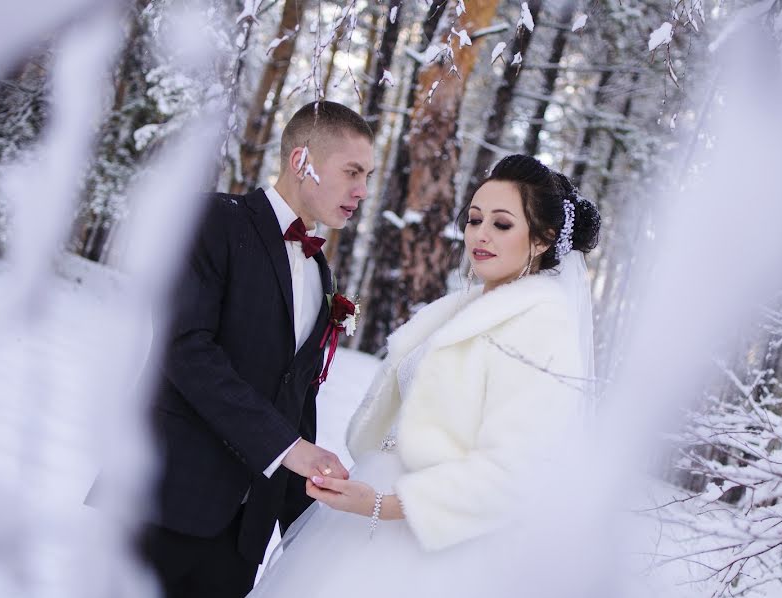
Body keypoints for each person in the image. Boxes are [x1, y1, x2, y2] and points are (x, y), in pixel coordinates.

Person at [247, 154, 601, 597]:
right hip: (369, 510)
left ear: (543, 239)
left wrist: (383, 505)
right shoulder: (461, 310)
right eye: (474, 219)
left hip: (430, 537)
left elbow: (514, 470)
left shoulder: (541, 325)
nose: (481, 235)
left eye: (503, 224)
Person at [137, 100, 375, 598]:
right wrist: (289, 450)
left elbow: (296, 399)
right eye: (352, 171)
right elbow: (186, 350)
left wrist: (309, 531)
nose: (362, 191)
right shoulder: (212, 220)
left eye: (368, 175)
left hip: (244, 539)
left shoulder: (321, 272)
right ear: (301, 160)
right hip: (163, 504)